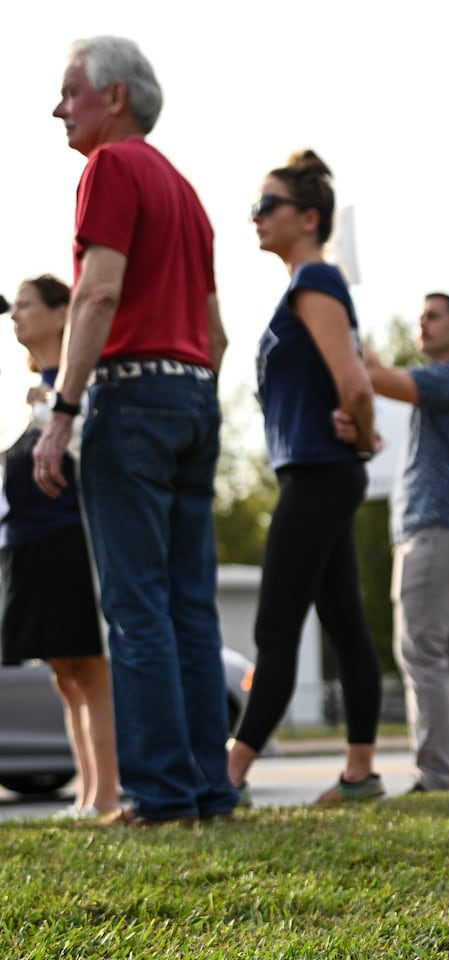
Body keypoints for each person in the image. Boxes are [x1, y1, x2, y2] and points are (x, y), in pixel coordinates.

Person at [34, 36, 235, 827]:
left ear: (114, 96)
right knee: (191, 604)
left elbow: (95, 294)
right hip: (194, 397)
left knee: (136, 605)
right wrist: (192, 399)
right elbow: (216, 333)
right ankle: (206, 789)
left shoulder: (110, 169)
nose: (58, 107)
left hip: (132, 394)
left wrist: (63, 410)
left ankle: (156, 796)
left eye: (70, 91)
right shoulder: (185, 191)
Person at [225, 151, 386, 803]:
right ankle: (359, 774)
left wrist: (365, 429)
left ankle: (229, 771)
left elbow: (355, 381)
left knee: (276, 623)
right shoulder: (306, 282)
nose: (255, 216)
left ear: (308, 216)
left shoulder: (315, 279)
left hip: (320, 473)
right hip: (319, 471)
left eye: (268, 205)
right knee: (344, 620)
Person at [356, 294, 449, 792]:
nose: (423, 322)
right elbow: (381, 371)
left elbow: (379, 377)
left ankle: (437, 776)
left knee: (421, 650)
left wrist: (349, 340)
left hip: (437, 531)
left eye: (433, 316)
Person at [2, 275, 118, 818]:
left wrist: (53, 404)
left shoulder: (76, 382)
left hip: (70, 542)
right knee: (63, 673)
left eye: (25, 305)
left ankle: (106, 793)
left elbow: (89, 447)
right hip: (29, 550)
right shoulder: (36, 392)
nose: (15, 314)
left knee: (89, 669)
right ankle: (86, 794)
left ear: (59, 313)